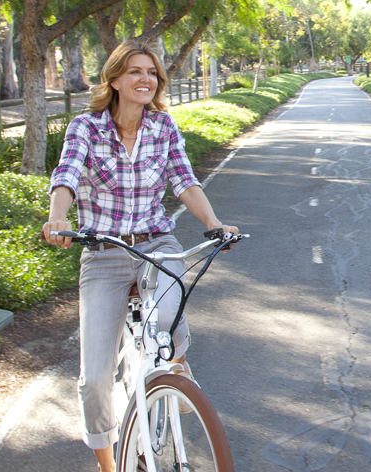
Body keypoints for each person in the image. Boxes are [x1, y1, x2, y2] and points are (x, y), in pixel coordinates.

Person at [42, 40, 238, 471]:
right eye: (135, 71)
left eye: (152, 72)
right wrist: (58, 218)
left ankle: (174, 372)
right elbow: (67, 176)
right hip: (104, 251)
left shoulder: (163, 127)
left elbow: (184, 180)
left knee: (168, 317)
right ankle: (108, 464)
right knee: (95, 380)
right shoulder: (85, 128)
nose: (145, 79)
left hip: (155, 244)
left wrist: (214, 223)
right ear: (114, 79)